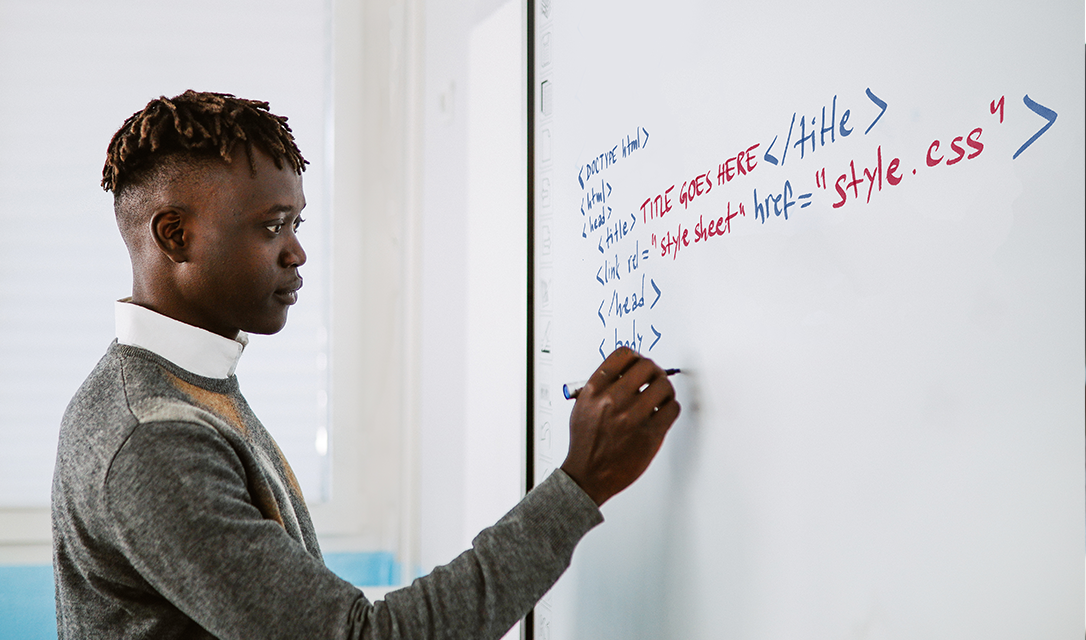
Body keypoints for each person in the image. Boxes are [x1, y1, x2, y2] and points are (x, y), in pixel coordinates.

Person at [51, 90, 680, 640]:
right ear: (174, 235)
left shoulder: (184, 386)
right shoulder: (152, 440)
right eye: (272, 227)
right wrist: (580, 484)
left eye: (295, 222)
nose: (297, 251)